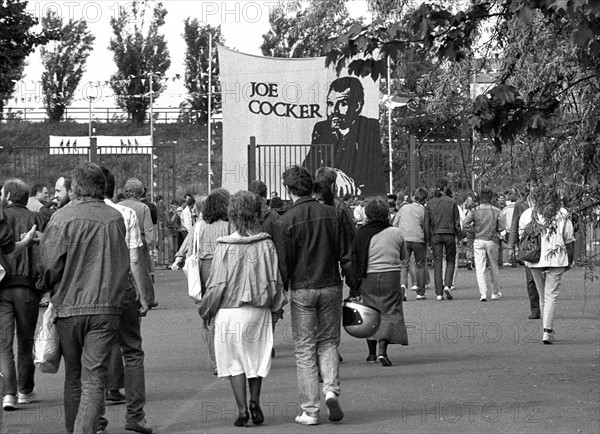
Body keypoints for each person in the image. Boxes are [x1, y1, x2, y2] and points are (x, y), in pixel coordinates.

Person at [38, 162, 131, 433]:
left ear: (76, 187)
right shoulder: (115, 219)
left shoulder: (62, 218)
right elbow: (121, 262)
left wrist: (48, 286)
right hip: (105, 307)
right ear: (102, 187)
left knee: (74, 378)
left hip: (69, 306)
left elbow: (49, 265)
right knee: (94, 378)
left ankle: (74, 429)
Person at [273, 165, 357, 426]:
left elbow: (283, 263)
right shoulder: (332, 214)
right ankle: (331, 389)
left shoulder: (284, 221)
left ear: (289, 190)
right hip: (331, 283)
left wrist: (280, 294)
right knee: (329, 341)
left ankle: (310, 410)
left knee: (305, 348)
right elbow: (347, 254)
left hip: (302, 288)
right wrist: (354, 285)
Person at [199, 191, 286, 428]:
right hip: (258, 310)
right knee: (255, 358)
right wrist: (277, 307)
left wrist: (207, 311)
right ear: (257, 213)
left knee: (234, 361)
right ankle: (256, 400)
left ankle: (242, 409)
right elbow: (274, 279)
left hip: (229, 311)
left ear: (233, 215)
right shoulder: (266, 244)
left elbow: (216, 284)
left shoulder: (224, 246)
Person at [100, 167, 154, 434]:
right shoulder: (128, 213)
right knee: (132, 351)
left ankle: (96, 419)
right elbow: (135, 260)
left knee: (94, 353)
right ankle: (135, 416)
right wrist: (145, 295)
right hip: (124, 289)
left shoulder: (70, 215)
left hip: (93, 292)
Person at [172, 189, 232, 375]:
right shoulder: (229, 225)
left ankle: (215, 361)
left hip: (204, 267)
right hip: (225, 263)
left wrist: (179, 256)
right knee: (228, 308)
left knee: (209, 312)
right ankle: (229, 355)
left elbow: (189, 243)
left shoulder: (200, 225)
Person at [0, 179, 47, 411]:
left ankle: (8, 394)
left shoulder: (1, 217)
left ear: (8, 195)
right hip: (28, 286)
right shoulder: (37, 219)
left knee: (4, 344)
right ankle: (24, 390)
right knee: (25, 342)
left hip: (2, 286)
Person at [303, 76, 386, 195]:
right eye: (330, 104)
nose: (334, 110)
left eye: (342, 103)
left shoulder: (369, 128)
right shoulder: (321, 129)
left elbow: (374, 174)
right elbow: (309, 167)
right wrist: (333, 175)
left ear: (357, 106)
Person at [352, 198, 408, 366]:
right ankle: (383, 350)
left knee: (370, 312)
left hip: (368, 276)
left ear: (368, 214)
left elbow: (354, 256)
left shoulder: (361, 234)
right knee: (389, 311)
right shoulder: (396, 232)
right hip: (391, 275)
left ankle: (371, 354)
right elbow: (403, 255)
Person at [518, 190, 575, 344]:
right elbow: (569, 237)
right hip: (557, 257)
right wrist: (570, 258)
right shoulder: (562, 213)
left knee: (542, 294)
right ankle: (547, 331)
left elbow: (521, 237)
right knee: (551, 295)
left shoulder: (528, 214)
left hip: (534, 258)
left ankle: (546, 330)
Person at [462, 188, 506, 302]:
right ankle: (495, 292)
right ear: (491, 198)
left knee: (480, 268)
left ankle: (483, 293)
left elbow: (465, 223)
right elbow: (502, 227)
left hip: (478, 239)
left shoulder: (475, 210)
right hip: (491, 240)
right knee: (493, 266)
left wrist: (474, 230)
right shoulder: (496, 210)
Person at [120, 179, 157, 307]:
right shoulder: (143, 207)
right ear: (140, 192)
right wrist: (151, 244)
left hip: (122, 239)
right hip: (140, 240)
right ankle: (148, 298)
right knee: (143, 270)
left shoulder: (119, 206)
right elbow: (149, 229)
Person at [424, 178, 462, 301]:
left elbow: (426, 223)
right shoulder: (452, 202)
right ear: (446, 188)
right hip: (449, 234)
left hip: (435, 234)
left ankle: (439, 292)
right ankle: (448, 285)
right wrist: (459, 236)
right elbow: (457, 223)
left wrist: (428, 239)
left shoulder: (430, 203)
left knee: (437, 262)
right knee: (450, 260)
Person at [508, 188, 540, 319]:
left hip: (543, 244)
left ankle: (544, 305)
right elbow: (514, 225)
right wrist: (511, 246)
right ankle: (535, 308)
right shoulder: (520, 204)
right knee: (531, 279)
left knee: (544, 276)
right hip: (528, 246)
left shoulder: (545, 203)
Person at [393, 187, 429, 300]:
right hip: (418, 239)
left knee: (404, 264)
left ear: (414, 197)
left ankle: (403, 286)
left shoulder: (404, 208)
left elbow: (395, 222)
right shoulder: (423, 210)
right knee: (420, 265)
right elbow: (426, 226)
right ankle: (420, 292)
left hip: (404, 238)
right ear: (424, 199)